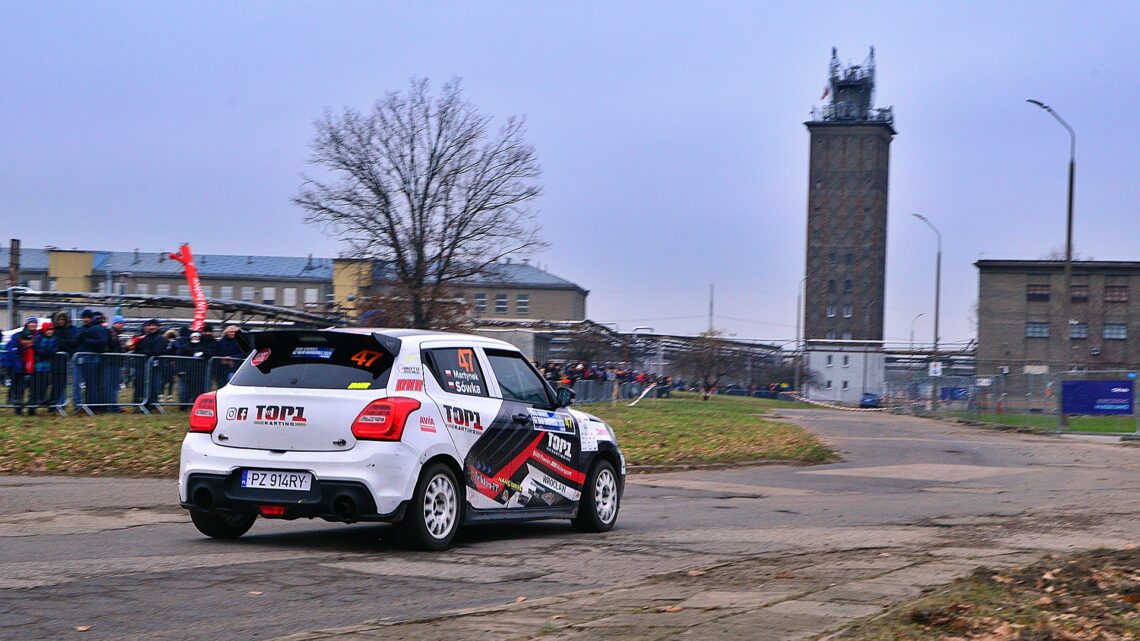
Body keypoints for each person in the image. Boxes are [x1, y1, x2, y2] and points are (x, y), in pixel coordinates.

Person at [74, 310, 111, 411]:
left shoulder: (96, 329)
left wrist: (85, 339)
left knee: (92, 383)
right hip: (87, 358)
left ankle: (92, 405)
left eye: (88, 317)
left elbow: (102, 343)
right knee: (89, 383)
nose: (86, 319)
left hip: (92, 358)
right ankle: (87, 405)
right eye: (84, 317)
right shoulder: (86, 329)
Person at [132, 319, 168, 408]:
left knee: (152, 385)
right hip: (142, 365)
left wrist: (142, 352)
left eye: (154, 325)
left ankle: (150, 404)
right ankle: (139, 403)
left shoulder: (160, 338)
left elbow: (157, 351)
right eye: (151, 325)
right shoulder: (145, 338)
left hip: (153, 367)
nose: (152, 327)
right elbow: (139, 349)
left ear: (158, 327)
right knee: (140, 385)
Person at [5, 318, 38, 415]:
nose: (28, 343)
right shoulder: (16, 338)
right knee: (18, 387)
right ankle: (17, 407)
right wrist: (19, 368)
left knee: (24, 387)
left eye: (30, 341)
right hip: (14, 367)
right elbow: (13, 355)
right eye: (31, 323)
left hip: (25, 367)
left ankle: (27, 407)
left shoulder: (34, 336)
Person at [32, 321, 59, 412]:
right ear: (44, 330)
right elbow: (36, 347)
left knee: (46, 382)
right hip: (38, 364)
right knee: (38, 383)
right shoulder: (39, 337)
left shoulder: (54, 338)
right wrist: (44, 353)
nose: (50, 332)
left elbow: (55, 348)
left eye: (51, 330)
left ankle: (43, 398)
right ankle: (37, 400)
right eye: (48, 330)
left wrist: (50, 352)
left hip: (47, 365)